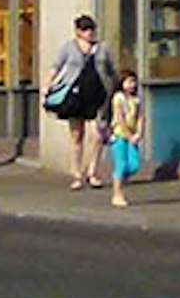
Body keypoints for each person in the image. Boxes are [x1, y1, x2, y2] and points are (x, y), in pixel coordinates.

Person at [43, 14, 111, 190]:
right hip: (75, 94)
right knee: (76, 135)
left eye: (91, 29)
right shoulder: (69, 47)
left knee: (97, 134)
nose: (89, 33)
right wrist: (47, 86)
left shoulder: (103, 49)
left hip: (98, 94)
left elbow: (111, 70)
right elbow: (56, 66)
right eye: (85, 29)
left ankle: (93, 171)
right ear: (78, 31)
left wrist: (116, 87)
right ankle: (77, 174)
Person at [104, 67, 149, 208]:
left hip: (132, 136)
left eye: (133, 82)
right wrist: (129, 136)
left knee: (134, 165)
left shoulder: (136, 100)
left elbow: (141, 117)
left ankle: (122, 178)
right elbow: (120, 119)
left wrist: (139, 133)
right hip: (119, 136)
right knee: (121, 164)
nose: (132, 85)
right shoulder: (118, 98)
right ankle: (117, 194)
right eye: (129, 82)